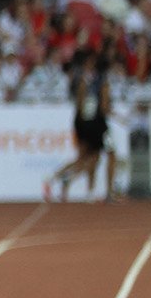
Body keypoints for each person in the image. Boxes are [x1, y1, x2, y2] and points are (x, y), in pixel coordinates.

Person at [46, 52, 113, 202]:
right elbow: (84, 104)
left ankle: (65, 181)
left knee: (90, 158)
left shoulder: (89, 78)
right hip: (91, 123)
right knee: (88, 158)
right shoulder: (86, 79)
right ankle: (58, 178)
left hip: (89, 122)